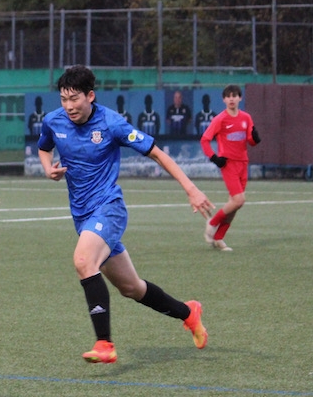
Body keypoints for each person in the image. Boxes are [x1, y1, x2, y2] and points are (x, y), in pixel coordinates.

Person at [37, 65, 212, 364]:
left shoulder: (112, 123)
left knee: (83, 261)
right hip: (83, 217)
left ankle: (104, 343)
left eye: (75, 99)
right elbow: (44, 147)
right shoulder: (54, 121)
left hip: (109, 208)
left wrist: (191, 189)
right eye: (64, 99)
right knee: (132, 288)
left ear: (90, 96)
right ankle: (189, 313)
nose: (68, 106)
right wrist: (48, 168)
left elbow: (156, 152)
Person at [200, 84, 261, 252]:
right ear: (224, 99)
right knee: (239, 200)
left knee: (235, 203)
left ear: (240, 98)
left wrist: (255, 139)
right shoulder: (220, 119)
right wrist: (214, 158)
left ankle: (219, 238)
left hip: (243, 163)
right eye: (228, 96)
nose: (232, 98)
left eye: (235, 95)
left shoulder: (246, 118)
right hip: (228, 164)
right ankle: (212, 224)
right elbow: (205, 140)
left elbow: (250, 140)